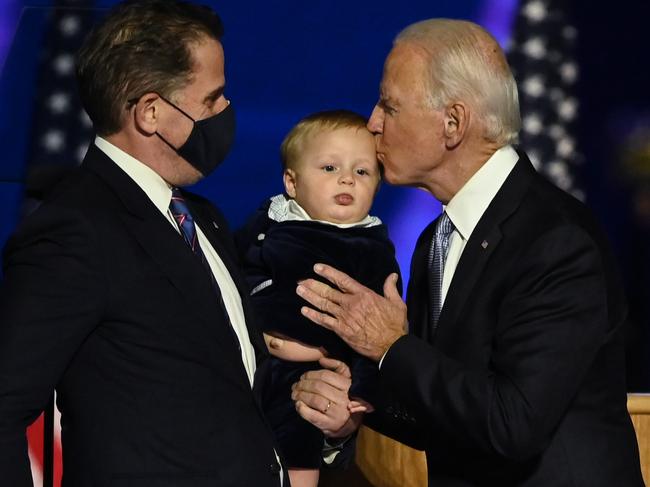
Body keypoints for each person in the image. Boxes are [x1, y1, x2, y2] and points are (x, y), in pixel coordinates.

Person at [291, 18, 644, 486]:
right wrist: (357, 398)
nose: (373, 123)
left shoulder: (555, 241)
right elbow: (445, 408)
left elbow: (514, 424)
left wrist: (391, 347)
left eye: (390, 106)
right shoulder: (435, 239)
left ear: (453, 123)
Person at [0, 1, 286, 486]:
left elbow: (225, 385)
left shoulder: (206, 220)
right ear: (152, 112)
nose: (225, 112)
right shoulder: (76, 229)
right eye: (213, 99)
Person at [236, 109, 401, 487]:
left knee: (300, 438)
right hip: (251, 369)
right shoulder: (269, 219)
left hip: (315, 375)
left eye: (362, 172)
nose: (346, 178)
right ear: (291, 183)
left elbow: (382, 332)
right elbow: (234, 270)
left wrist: (359, 382)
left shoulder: (370, 248)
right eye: (329, 168)